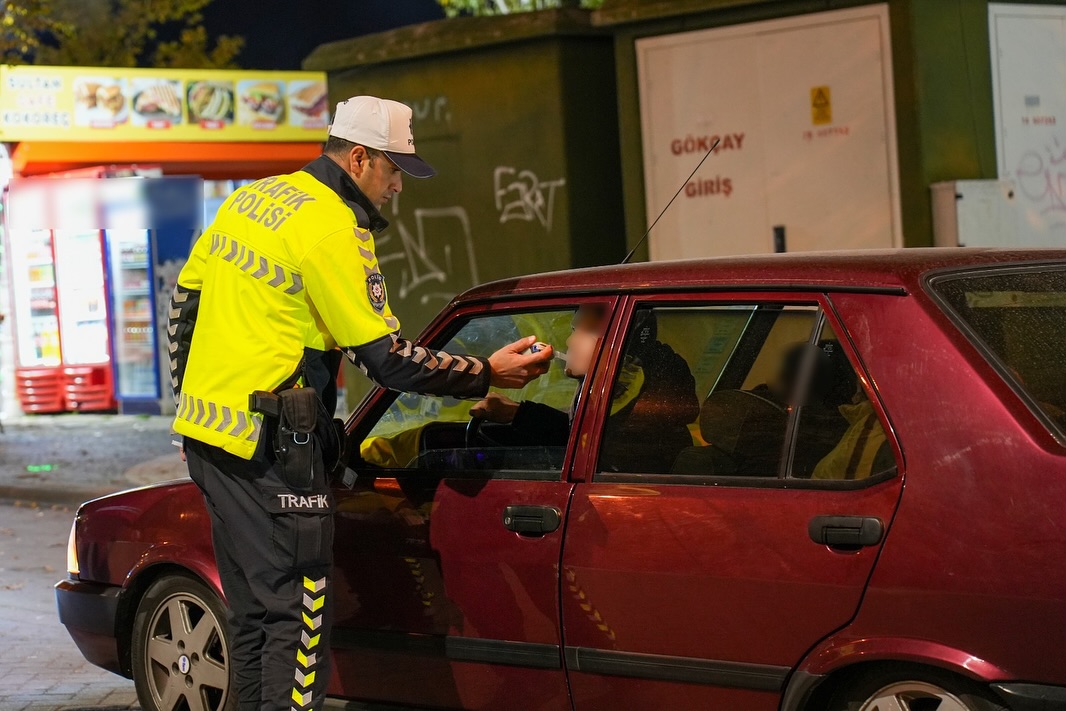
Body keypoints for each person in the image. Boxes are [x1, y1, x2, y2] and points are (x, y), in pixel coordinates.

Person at [167, 95, 550, 711]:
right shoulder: (332, 227)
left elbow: (184, 303)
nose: (399, 185)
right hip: (275, 451)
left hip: (211, 442)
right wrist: (487, 372)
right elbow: (388, 360)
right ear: (360, 156)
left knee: (251, 619)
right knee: (297, 622)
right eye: (395, 169)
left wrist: (195, 396)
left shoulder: (252, 198)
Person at [471, 305, 699, 473]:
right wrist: (518, 414)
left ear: (620, 345)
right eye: (574, 329)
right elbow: (583, 435)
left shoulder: (636, 413)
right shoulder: (628, 402)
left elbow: (586, 448)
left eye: (586, 331)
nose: (570, 341)